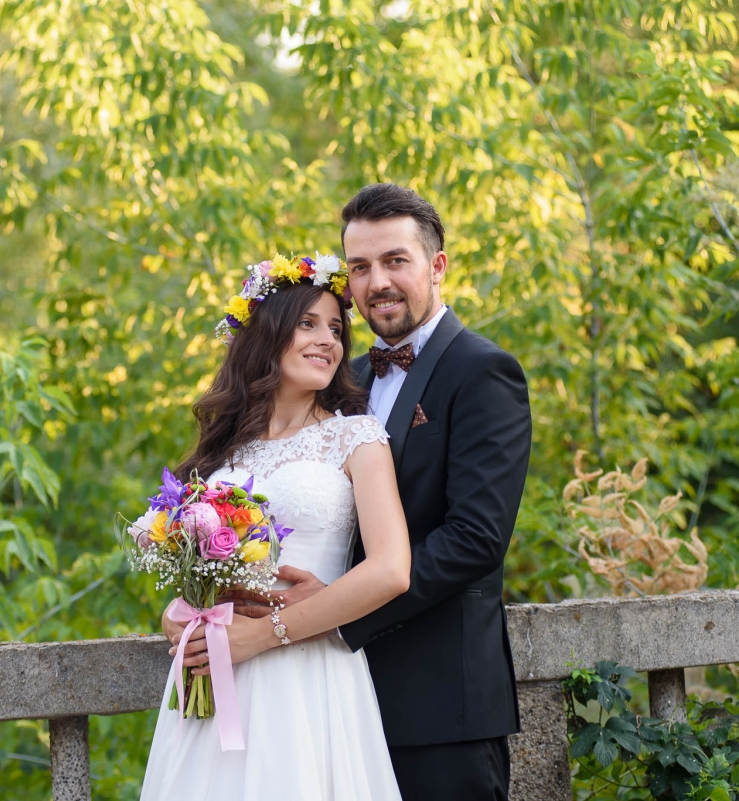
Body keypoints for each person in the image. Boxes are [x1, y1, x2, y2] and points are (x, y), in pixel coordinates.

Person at [176, 184, 533, 800]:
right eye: (361, 267)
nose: (377, 283)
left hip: (439, 701)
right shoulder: (344, 376)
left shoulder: (482, 371)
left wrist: (333, 617)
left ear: (437, 266)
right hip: (317, 703)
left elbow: (476, 538)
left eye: (396, 261)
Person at [140, 254, 412, 800]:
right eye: (307, 324)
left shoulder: (356, 438)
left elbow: (390, 571)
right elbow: (195, 566)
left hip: (307, 673)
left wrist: (268, 635)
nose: (328, 341)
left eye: (336, 328)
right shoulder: (222, 453)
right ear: (268, 334)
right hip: (217, 679)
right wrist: (182, 612)